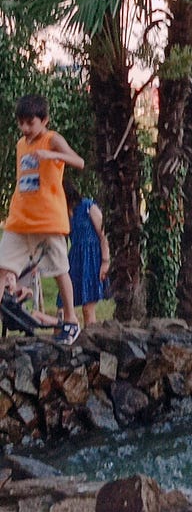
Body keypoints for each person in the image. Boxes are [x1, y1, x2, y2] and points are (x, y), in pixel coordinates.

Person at [0, 94, 85, 344]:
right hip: (20, 219)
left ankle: (71, 320)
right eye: (21, 123)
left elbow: (79, 161)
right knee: (2, 268)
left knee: (60, 270)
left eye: (30, 123)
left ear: (44, 120)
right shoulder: (20, 144)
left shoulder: (52, 139)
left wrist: (53, 157)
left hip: (48, 221)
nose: (25, 128)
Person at [66, 181, 110, 328]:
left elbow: (103, 234)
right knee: (64, 305)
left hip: (92, 259)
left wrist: (105, 261)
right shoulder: (64, 213)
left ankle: (91, 339)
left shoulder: (87, 206)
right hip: (75, 260)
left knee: (88, 308)